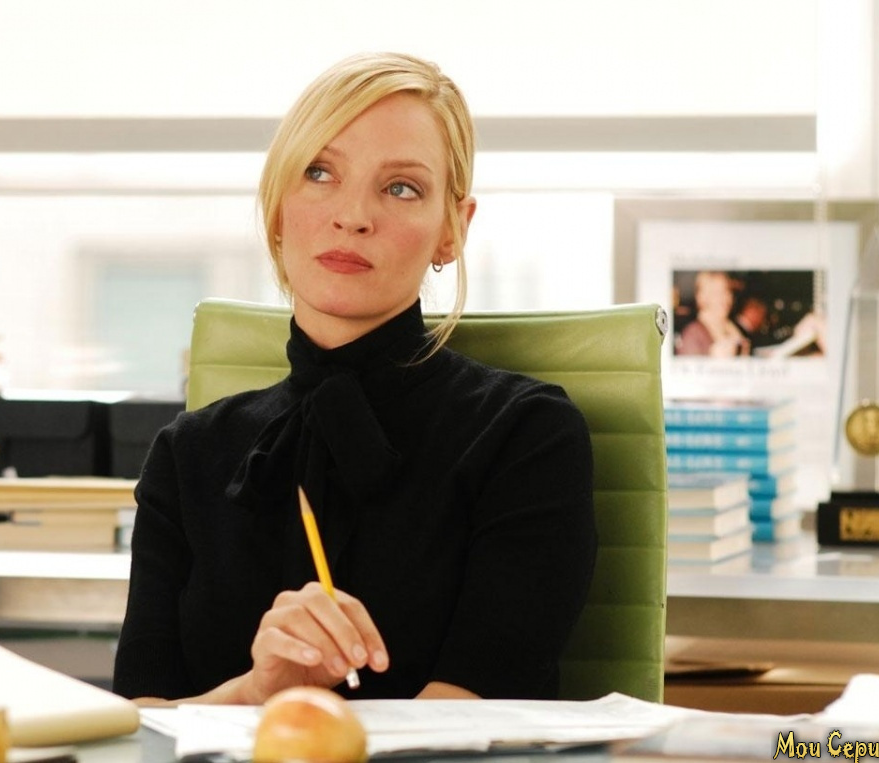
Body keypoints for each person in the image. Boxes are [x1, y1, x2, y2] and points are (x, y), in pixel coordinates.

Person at [113, 52, 596, 705]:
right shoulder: (186, 453)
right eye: (319, 173)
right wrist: (257, 692)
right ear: (277, 208)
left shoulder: (527, 435)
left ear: (452, 231)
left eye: (401, 188)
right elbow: (144, 723)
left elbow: (474, 717)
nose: (352, 215)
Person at [676, 271, 751, 357]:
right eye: (717, 293)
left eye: (727, 291)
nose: (725, 298)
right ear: (702, 297)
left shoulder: (733, 328)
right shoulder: (692, 334)